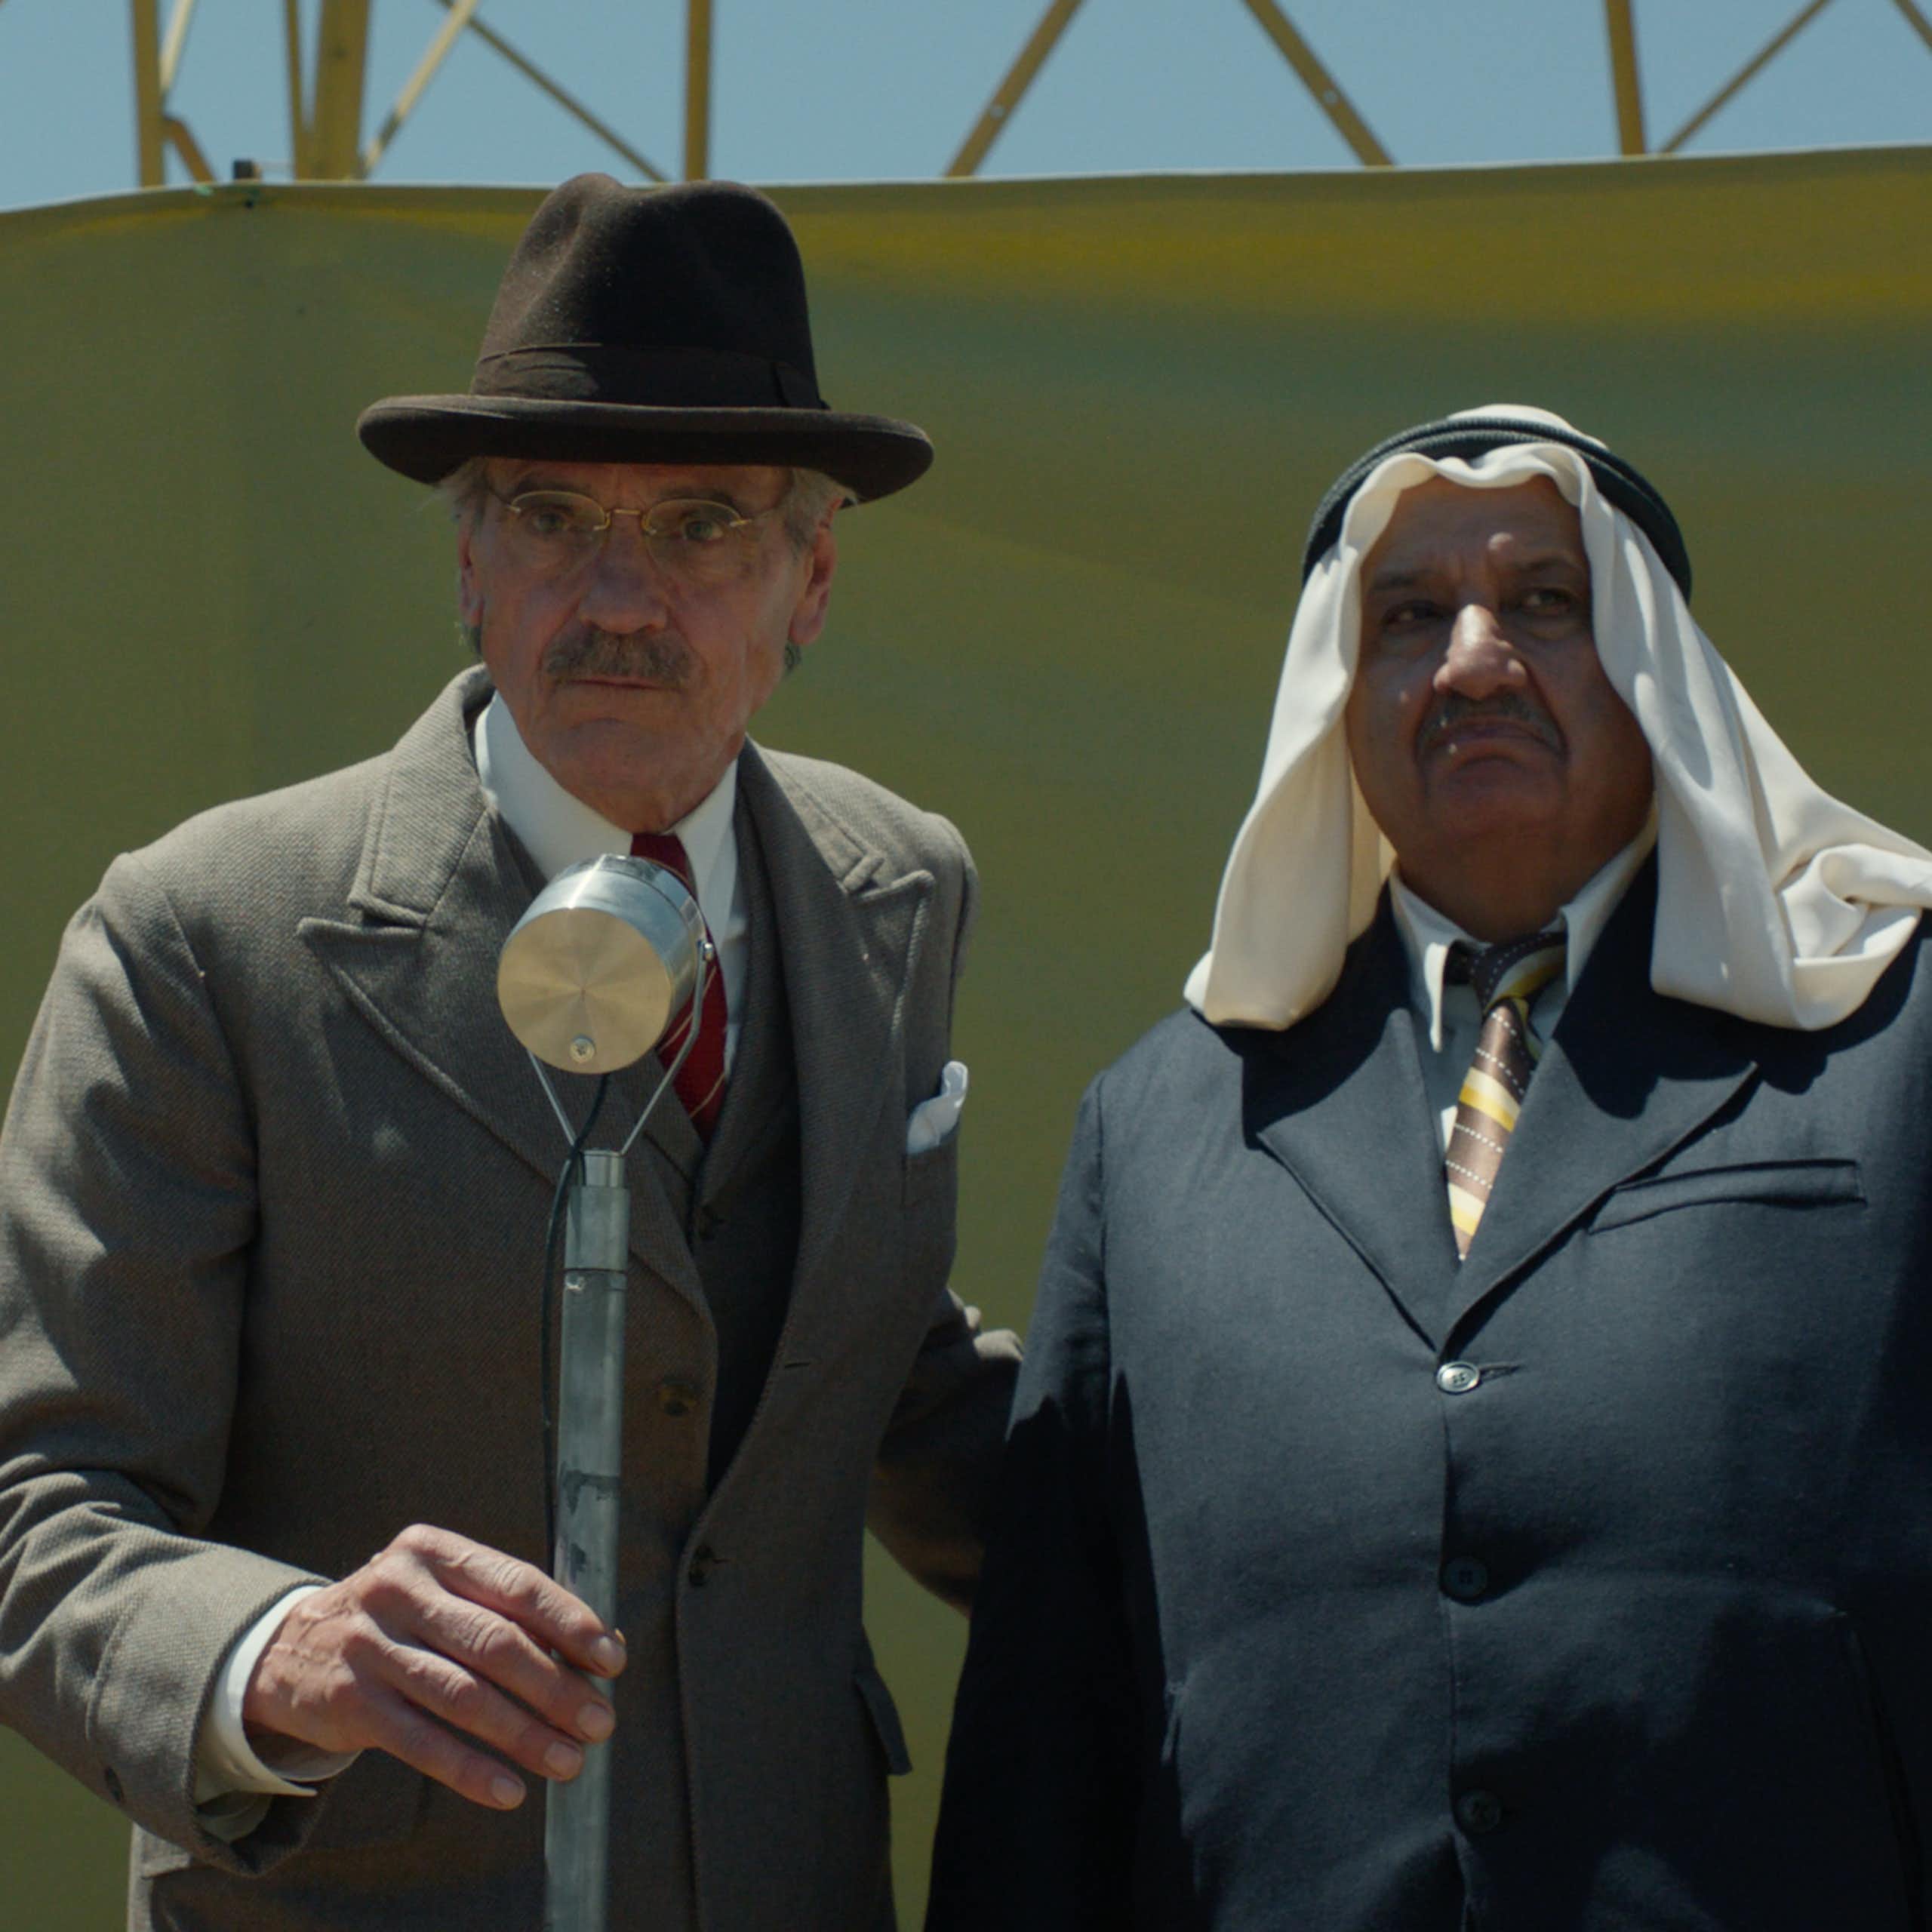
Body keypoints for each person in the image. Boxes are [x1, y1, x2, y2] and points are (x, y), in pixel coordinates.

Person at [0, 174, 1017, 1932]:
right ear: (467, 562)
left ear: (812, 577)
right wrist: (268, 1646)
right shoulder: (204, 934)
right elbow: (39, 1506)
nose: (620, 593)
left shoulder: (897, 888)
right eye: (552, 515)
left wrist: (1293, 1505)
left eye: (702, 524)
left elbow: (873, 1368)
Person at [925, 406, 1932, 1930]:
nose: (1471, 661)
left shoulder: (1887, 1035)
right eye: (1406, 618)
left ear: (1657, 669)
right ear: (1335, 694)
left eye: (1543, 600)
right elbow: (1048, 1718)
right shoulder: (1161, 1120)